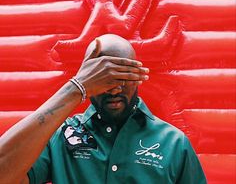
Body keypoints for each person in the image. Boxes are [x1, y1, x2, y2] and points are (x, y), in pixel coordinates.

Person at [0, 34, 207, 184]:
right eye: (104, 78)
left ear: (138, 78)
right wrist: (75, 88)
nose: (115, 88)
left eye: (123, 77)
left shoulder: (174, 143)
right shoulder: (61, 137)